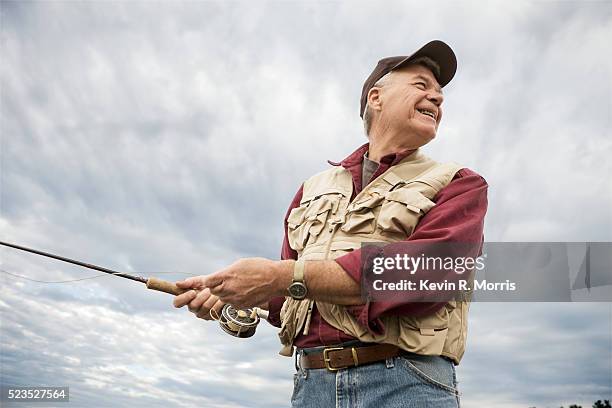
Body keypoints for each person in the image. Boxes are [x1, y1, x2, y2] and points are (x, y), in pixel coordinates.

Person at [173, 40, 488, 408]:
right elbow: (288, 300)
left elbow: (420, 276)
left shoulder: (460, 184)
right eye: (422, 85)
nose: (437, 98)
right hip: (311, 387)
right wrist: (229, 296)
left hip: (409, 385)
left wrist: (277, 277)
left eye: (440, 94)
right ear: (376, 97)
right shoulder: (310, 190)